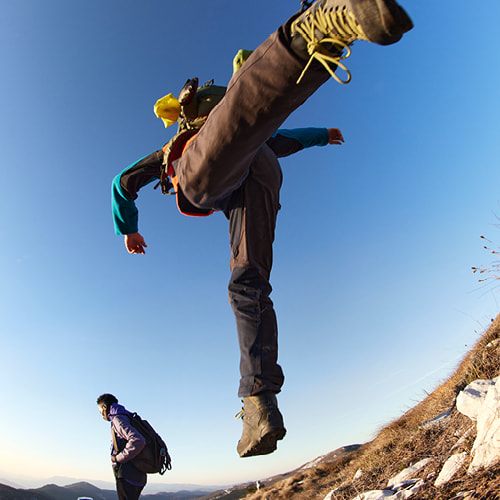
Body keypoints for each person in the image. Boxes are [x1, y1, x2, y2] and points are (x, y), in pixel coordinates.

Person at [111, 0, 413, 458]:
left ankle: (310, 33)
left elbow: (122, 182)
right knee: (247, 285)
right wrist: (322, 134)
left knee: (233, 132)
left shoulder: (181, 141)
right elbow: (281, 137)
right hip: (261, 171)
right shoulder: (254, 134)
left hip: (212, 166)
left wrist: (127, 228)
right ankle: (259, 403)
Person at [97, 394, 147, 500]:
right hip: (137, 474)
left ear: (105, 408)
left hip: (128, 475)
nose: (102, 416)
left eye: (100, 411)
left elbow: (138, 440)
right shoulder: (127, 416)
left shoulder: (118, 419)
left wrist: (118, 458)